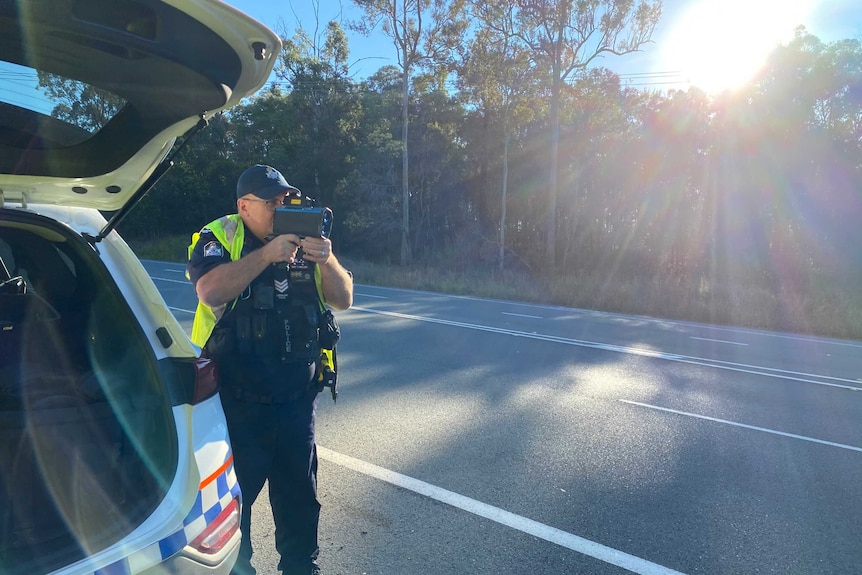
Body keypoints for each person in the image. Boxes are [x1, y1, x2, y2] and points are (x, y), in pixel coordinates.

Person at [186, 164, 353, 575]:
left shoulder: (308, 237)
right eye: (271, 201)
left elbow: (344, 299)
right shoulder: (220, 235)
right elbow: (209, 291)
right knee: (234, 504)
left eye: (284, 199)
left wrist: (326, 260)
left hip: (297, 400)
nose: (282, 207)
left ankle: (300, 567)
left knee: (300, 498)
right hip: (238, 405)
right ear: (244, 206)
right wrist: (267, 255)